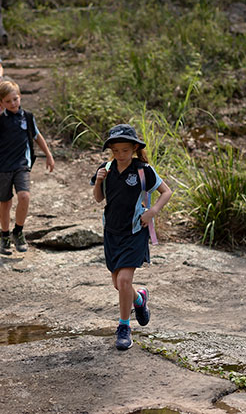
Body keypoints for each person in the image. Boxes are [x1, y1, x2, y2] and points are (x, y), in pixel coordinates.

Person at [90, 124, 172, 351]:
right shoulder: (106, 168)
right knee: (118, 284)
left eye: (125, 150)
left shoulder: (143, 170)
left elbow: (166, 191)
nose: (120, 155)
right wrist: (98, 180)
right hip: (112, 233)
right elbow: (98, 198)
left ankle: (124, 327)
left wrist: (152, 211)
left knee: (125, 281)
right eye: (116, 151)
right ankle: (139, 299)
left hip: (135, 231)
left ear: (134, 148)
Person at [0, 79, 55, 254]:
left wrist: (49, 155)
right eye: (7, 101)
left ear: (20, 97)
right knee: (6, 203)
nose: (13, 103)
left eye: (15, 99)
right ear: (1, 102)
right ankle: (5, 235)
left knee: (24, 196)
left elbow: (37, 136)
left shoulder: (28, 117)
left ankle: (18, 231)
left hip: (22, 165)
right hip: (2, 167)